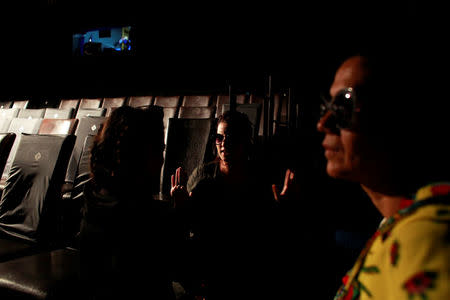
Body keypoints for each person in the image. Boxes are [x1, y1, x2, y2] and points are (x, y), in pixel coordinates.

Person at [317, 42, 450, 300]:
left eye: (344, 104)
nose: (323, 123)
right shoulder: (396, 224)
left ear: (397, 113)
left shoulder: (427, 238)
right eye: (327, 107)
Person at [171, 110, 280, 299]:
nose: (224, 144)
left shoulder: (259, 178)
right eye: (219, 138)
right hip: (210, 262)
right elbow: (190, 225)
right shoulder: (203, 175)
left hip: (245, 263)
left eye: (232, 138)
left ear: (246, 141)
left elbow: (266, 232)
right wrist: (181, 206)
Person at [78, 105, 180, 300]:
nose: (162, 159)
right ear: (142, 156)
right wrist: (181, 213)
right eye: (160, 149)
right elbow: (173, 266)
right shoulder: (141, 216)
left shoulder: (93, 196)